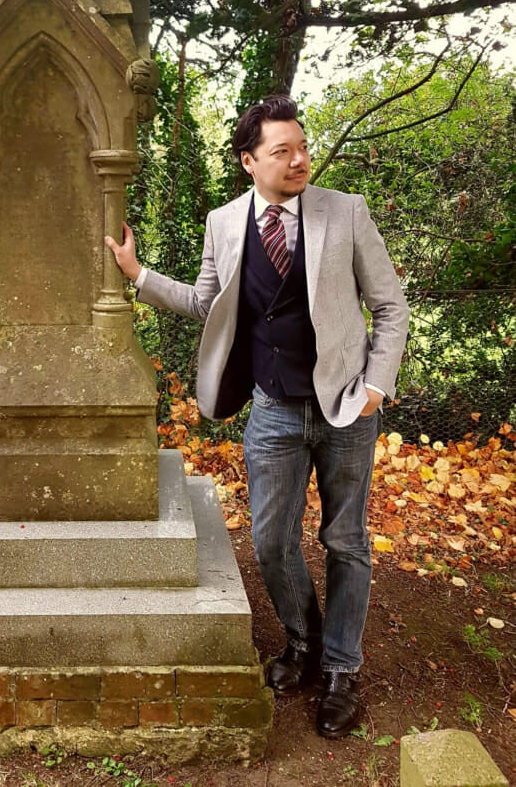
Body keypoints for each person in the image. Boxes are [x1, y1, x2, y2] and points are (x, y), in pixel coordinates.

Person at [105, 94, 409, 739]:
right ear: (250, 161)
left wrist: (377, 385)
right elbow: (205, 303)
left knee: (346, 541)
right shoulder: (225, 222)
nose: (299, 159)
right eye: (282, 151)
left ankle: (340, 671)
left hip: (347, 406)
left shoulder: (345, 212)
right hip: (272, 409)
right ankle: (303, 643)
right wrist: (138, 274)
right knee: (272, 540)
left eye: (302, 147)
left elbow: (390, 305)